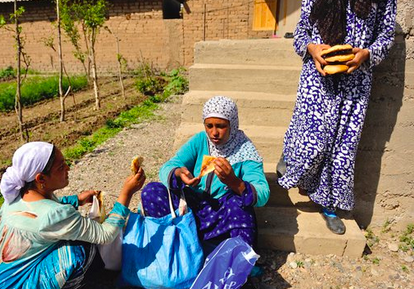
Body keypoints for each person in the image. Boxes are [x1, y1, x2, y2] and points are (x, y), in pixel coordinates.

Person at [0, 142, 145, 289]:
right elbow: (105, 235)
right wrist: (126, 194)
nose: (68, 167)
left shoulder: (17, 196)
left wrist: (76, 200)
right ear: (41, 178)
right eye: (61, 166)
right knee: (85, 249)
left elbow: (48, 209)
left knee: (73, 239)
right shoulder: (54, 215)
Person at [277, 0, 397, 234]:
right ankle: (291, 153)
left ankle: (329, 207)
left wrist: (367, 54)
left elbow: (386, 34)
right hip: (317, 76)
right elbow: (301, 31)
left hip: (356, 81)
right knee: (313, 144)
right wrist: (311, 49)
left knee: (342, 150)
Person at [141, 96, 270, 250]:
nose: (214, 133)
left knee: (239, 205)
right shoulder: (200, 141)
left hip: (221, 214)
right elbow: (169, 166)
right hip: (191, 209)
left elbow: (262, 193)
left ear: (232, 125)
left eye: (221, 126)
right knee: (152, 191)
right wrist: (178, 173)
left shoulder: (245, 150)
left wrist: (235, 182)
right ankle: (173, 251)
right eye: (209, 126)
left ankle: (231, 260)